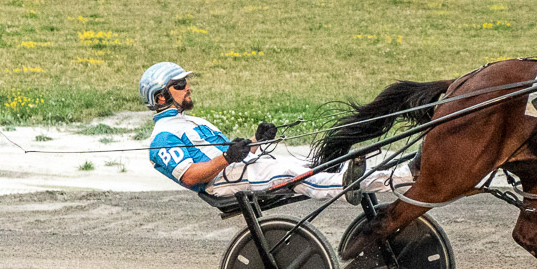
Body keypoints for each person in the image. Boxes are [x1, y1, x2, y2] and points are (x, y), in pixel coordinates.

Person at [139, 62, 412, 200]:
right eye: (179, 84)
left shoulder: (194, 122)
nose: (187, 87)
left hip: (240, 171)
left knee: (317, 164)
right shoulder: (162, 139)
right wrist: (227, 157)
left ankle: (401, 175)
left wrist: (258, 141)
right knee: (296, 172)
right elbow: (189, 177)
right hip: (222, 184)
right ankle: (356, 184)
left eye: (186, 82)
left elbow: (234, 155)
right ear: (161, 97)